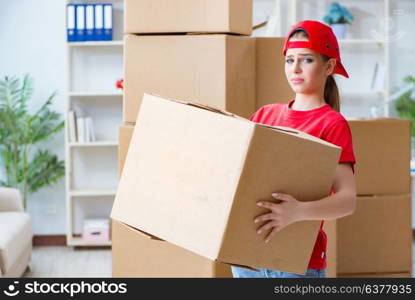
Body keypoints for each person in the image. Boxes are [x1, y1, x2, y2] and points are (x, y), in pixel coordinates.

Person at [231, 20, 357, 278]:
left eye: (307, 60)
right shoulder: (264, 115)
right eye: (289, 60)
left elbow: (347, 200)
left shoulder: (331, 124)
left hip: (296, 260)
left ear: (329, 66)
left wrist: (298, 211)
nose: (295, 69)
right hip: (246, 254)